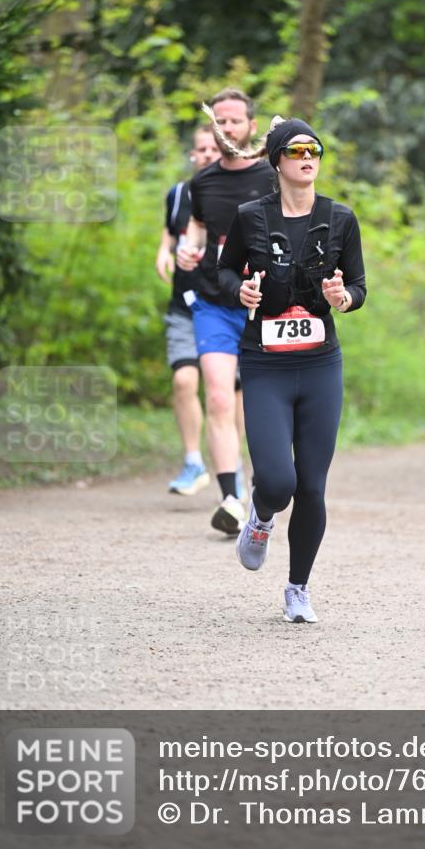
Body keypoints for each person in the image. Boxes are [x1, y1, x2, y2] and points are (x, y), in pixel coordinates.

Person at [217, 116, 366, 622]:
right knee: (278, 481)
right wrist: (239, 290)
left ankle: (297, 588)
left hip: (321, 363)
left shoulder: (340, 218)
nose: (308, 157)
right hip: (266, 364)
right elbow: (222, 268)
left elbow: (360, 289)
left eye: (315, 150)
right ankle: (260, 516)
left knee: (313, 486)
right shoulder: (251, 216)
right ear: (277, 159)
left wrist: (342, 297)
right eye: (297, 150)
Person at [178, 89, 276, 535]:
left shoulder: (274, 177)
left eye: (235, 120)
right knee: (218, 397)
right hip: (216, 304)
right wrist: (188, 250)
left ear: (252, 126)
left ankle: (264, 484)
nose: (227, 128)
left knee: (261, 405)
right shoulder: (203, 183)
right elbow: (199, 230)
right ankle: (231, 500)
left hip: (266, 307)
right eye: (220, 121)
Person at [156, 125, 219, 495]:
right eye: (201, 149)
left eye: (214, 148)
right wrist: (163, 252)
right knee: (183, 380)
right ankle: (194, 461)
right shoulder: (178, 194)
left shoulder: (237, 193)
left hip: (229, 308)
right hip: (184, 307)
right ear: (193, 155)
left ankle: (234, 468)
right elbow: (170, 231)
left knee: (229, 393)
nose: (208, 153)